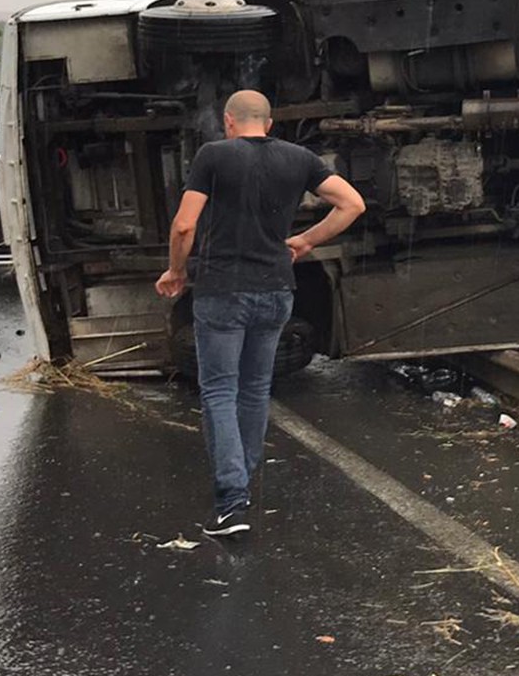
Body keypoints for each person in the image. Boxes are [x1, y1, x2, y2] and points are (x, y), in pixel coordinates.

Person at [156, 90, 366, 536]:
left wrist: (176, 271)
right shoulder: (298, 158)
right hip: (276, 289)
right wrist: (307, 241)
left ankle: (231, 501)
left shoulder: (214, 156)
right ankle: (242, 486)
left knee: (218, 390)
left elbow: (184, 224)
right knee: (254, 389)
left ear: (230, 122)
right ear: (268, 124)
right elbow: (352, 204)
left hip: (222, 291)